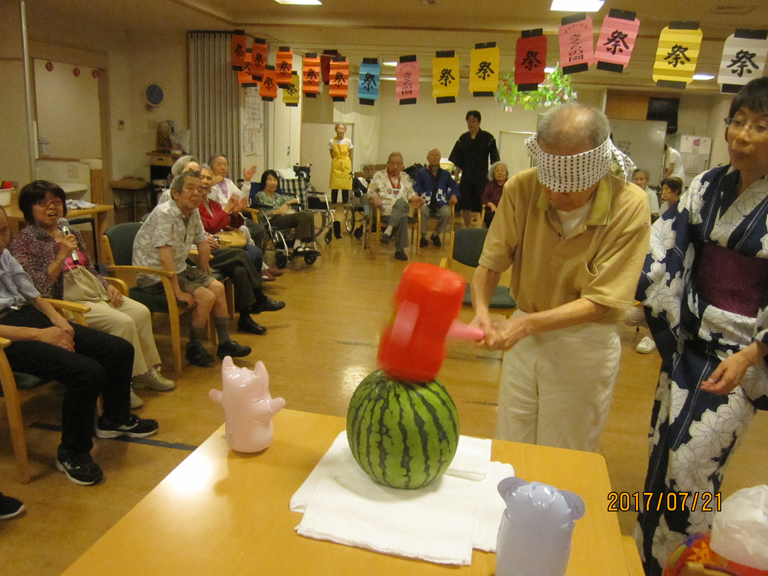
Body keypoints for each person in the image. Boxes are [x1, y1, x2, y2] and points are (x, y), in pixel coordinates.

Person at [634, 77, 768, 576]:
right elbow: (666, 246)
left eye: (759, 125)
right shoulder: (708, 184)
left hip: (738, 355)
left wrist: (752, 354)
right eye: (737, 121)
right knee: (663, 450)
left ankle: (688, 561)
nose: (743, 134)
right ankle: (646, 556)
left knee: (696, 464)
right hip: (688, 344)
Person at [471, 103, 650, 452]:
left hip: (585, 341)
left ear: (598, 171)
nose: (555, 195)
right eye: (550, 184)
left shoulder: (630, 205)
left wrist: (523, 327)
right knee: (512, 442)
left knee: (566, 451)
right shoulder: (523, 188)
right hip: (524, 333)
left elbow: (601, 302)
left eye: (569, 188)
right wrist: (481, 311)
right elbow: (491, 264)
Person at [0, 205, 159, 485]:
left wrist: (56, 321)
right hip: (8, 338)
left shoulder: (5, 255)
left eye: (3, 231)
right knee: (86, 372)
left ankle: (114, 418)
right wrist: (39, 335)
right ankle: (73, 452)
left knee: (119, 349)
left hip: (30, 316)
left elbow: (33, 295)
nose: (1, 241)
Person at [11, 181, 174, 412]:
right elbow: (35, 287)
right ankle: (121, 386)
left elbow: (90, 267)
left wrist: (107, 285)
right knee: (122, 322)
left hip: (91, 288)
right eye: (42, 203)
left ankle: (145, 371)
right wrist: (61, 255)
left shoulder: (70, 230)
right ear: (29, 208)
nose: (52, 207)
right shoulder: (25, 241)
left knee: (140, 311)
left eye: (56, 201)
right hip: (64, 297)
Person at [133, 170, 251, 367]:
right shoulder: (164, 213)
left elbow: (202, 244)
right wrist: (177, 292)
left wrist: (206, 273)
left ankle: (225, 343)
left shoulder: (193, 211)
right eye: (190, 188)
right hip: (154, 275)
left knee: (217, 287)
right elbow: (165, 257)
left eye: (199, 189)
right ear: (176, 193)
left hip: (178, 267)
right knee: (206, 296)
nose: (197, 193)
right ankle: (194, 347)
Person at [197, 165, 285, 335]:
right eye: (203, 178)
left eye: (209, 178)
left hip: (219, 245)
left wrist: (235, 213)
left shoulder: (212, 203)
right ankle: (258, 297)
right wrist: (228, 208)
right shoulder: (195, 205)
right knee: (242, 254)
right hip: (204, 251)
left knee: (240, 268)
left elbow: (229, 224)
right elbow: (211, 226)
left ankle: (245, 318)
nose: (207, 181)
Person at [449, 110, 500, 228]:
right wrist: (456, 177)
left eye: (474, 121)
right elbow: (458, 160)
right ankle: (467, 227)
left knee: (481, 203)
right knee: (465, 204)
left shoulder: (488, 138)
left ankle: (480, 228)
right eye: (469, 121)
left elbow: (495, 160)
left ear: (479, 122)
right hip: (466, 178)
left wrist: (495, 179)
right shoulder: (463, 139)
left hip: (482, 178)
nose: (471, 123)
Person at [367, 152, 421, 261]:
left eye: (398, 164)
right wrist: (375, 198)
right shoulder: (379, 175)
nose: (395, 167)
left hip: (403, 208)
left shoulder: (405, 177)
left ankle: (388, 230)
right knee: (402, 217)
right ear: (387, 164)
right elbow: (370, 193)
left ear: (402, 165)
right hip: (386, 211)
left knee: (401, 202)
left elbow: (411, 195)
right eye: (392, 164)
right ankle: (399, 250)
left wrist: (417, 199)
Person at [251, 170, 318, 254]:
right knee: (304, 215)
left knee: (308, 214)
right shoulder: (260, 195)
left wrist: (286, 203)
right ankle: (302, 245)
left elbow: (296, 199)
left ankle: (303, 245)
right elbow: (260, 213)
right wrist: (276, 212)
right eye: (270, 180)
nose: (273, 183)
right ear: (264, 182)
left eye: (275, 180)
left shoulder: (278, 196)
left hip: (282, 218)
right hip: (271, 220)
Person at [208, 154, 266, 250]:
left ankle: (257, 258)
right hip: (220, 219)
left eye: (225, 165)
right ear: (211, 168)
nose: (223, 168)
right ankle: (249, 255)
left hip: (235, 217)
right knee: (247, 231)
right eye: (219, 165)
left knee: (260, 230)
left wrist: (247, 182)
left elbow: (242, 199)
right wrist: (213, 183)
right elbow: (212, 202)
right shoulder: (208, 184)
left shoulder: (229, 182)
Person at [412, 148, 459, 247]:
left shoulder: (446, 174)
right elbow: (416, 186)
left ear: (440, 158)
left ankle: (436, 234)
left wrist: (454, 195)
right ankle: (423, 236)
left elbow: (453, 186)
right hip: (425, 200)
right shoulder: (421, 172)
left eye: (437, 155)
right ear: (428, 158)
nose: (434, 157)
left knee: (447, 212)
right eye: (432, 155)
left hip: (441, 200)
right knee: (423, 210)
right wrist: (416, 195)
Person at [329, 123, 353, 206]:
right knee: (335, 186)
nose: (341, 130)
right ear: (336, 130)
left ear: (345, 130)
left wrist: (347, 163)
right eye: (339, 128)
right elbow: (331, 153)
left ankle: (345, 205)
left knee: (345, 186)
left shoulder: (348, 141)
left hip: (346, 164)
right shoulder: (332, 141)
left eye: (343, 129)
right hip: (336, 164)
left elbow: (351, 154)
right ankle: (333, 205)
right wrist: (337, 160)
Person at [481, 161, 509, 228]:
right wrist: (490, 204)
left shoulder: (509, 184)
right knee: (490, 218)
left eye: (502, 170)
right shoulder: (490, 184)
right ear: (493, 174)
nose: (500, 173)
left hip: (506, 211)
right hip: (492, 211)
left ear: (506, 173)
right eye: (497, 171)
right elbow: (483, 197)